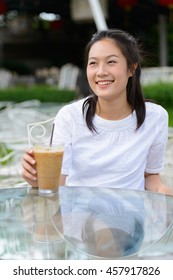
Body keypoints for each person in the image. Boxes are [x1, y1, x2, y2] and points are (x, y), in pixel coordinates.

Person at [22, 29, 172, 258]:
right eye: (93, 64)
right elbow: (57, 186)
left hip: (128, 218)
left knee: (104, 241)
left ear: (132, 68)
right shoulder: (70, 116)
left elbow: (151, 178)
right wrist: (36, 180)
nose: (101, 72)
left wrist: (165, 194)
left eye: (111, 62)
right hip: (79, 216)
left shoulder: (155, 117)